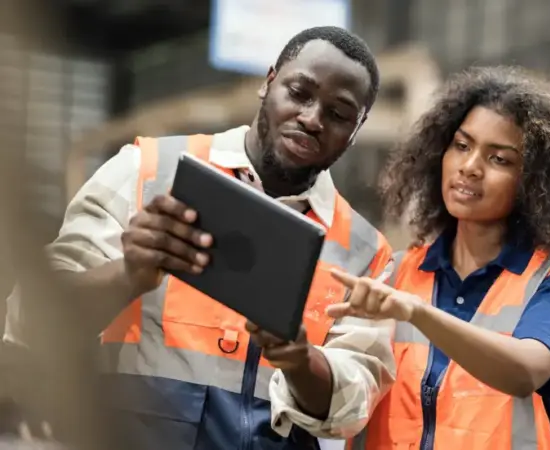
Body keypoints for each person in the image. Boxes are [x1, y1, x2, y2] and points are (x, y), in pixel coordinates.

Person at [4, 27, 397, 450]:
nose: (312, 119)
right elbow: (35, 320)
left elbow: (352, 405)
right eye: (300, 92)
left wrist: (301, 361)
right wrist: (128, 274)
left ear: (356, 130)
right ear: (268, 83)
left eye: (338, 114)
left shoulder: (365, 253)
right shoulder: (148, 172)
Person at [324, 66, 550, 449]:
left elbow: (525, 371)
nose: (469, 167)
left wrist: (417, 313)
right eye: (462, 145)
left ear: (534, 182)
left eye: (499, 159)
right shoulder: (398, 272)